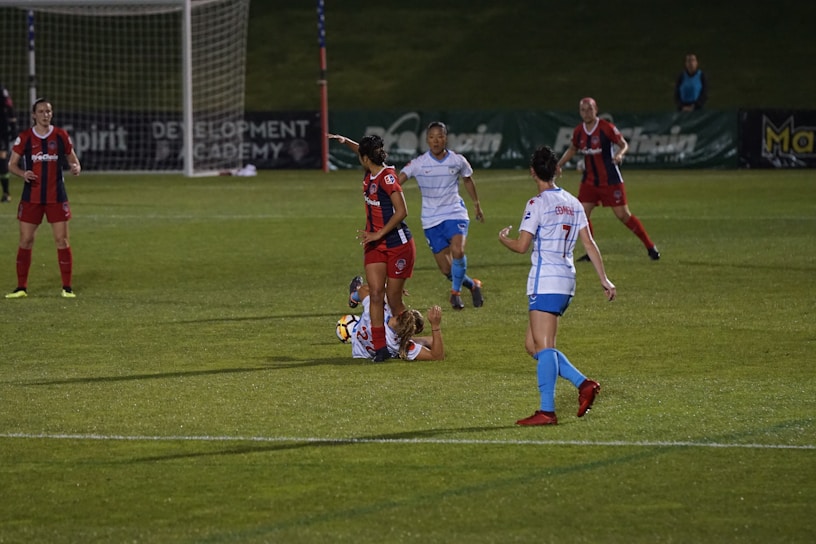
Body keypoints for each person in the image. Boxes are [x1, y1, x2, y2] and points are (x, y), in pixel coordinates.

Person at [499, 145, 615, 426]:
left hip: (546, 280)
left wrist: (504, 239)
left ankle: (547, 411)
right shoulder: (573, 202)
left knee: (546, 346)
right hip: (566, 279)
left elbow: (522, 245)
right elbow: (589, 243)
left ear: (532, 172)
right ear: (556, 170)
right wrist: (604, 278)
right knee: (533, 345)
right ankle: (582, 384)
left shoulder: (537, 203)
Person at [328, 132, 416, 362]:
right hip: (375, 246)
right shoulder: (370, 170)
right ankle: (381, 350)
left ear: (366, 158)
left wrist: (378, 232)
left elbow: (402, 211)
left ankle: (406, 340)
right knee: (376, 294)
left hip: (398, 244)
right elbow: (362, 149)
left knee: (393, 299)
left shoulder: (387, 178)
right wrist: (346, 141)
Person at [556, 97, 660, 261]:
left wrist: (619, 154)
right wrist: (559, 164)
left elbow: (623, 144)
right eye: (583, 110)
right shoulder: (579, 131)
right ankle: (591, 252)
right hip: (589, 180)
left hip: (610, 180)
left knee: (623, 215)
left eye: (589, 109)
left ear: (596, 109)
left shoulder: (606, 128)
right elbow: (572, 148)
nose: (586, 113)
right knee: (581, 214)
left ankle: (650, 246)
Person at [399, 121, 485, 310]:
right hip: (430, 220)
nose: (436, 141)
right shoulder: (419, 163)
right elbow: (398, 182)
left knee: (458, 251)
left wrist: (476, 205)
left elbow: (468, 180)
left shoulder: (457, 160)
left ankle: (455, 294)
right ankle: (473, 285)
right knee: (446, 270)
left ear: (446, 138)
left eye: (440, 136)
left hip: (455, 213)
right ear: (427, 140)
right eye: (432, 137)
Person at [5, 98, 81, 299]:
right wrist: (23, 174)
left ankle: (67, 287)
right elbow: (11, 165)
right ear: (33, 115)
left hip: (57, 196)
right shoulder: (25, 138)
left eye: (48, 111)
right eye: (41, 111)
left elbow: (73, 159)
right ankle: (21, 287)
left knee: (61, 240)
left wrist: (76, 168)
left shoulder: (60, 135)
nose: (45, 114)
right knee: (26, 240)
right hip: (32, 197)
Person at [345, 276, 444, 361]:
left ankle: (352, 297)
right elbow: (437, 355)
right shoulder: (400, 345)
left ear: (401, 314)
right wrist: (435, 325)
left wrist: (388, 289)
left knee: (374, 292)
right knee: (429, 341)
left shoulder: (376, 312)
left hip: (359, 343)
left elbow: (364, 290)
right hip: (362, 352)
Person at [1, 82, 17, 202]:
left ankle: (6, 193)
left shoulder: (1, 90)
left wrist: (13, 125)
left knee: (2, 158)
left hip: (1, 128)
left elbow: (9, 106)